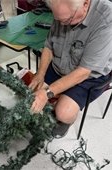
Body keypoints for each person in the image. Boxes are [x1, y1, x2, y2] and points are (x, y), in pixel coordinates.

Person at [29, 0, 112, 138]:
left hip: (88, 75)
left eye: (67, 20)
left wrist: (47, 93)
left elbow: (83, 72)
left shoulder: (106, 19)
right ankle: (59, 97)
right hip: (61, 63)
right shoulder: (63, 12)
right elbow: (48, 46)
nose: (62, 24)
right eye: (58, 20)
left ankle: (65, 119)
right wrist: (40, 73)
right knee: (33, 91)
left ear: (85, 4)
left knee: (63, 112)